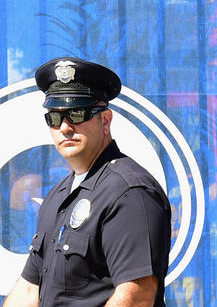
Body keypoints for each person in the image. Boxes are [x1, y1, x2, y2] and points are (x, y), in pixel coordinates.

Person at [2, 57, 171, 307]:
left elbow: (136, 298)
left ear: (105, 121)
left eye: (77, 114)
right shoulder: (58, 196)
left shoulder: (129, 192)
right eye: (55, 118)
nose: (65, 127)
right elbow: (29, 290)